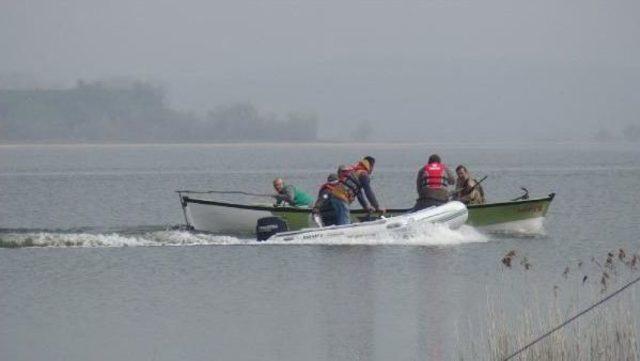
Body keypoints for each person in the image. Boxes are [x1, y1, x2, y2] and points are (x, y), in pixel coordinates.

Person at [325, 156, 385, 225]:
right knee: (344, 224)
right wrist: (377, 207)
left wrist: (366, 207)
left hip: (334, 197)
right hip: (341, 199)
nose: (372, 170)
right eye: (373, 167)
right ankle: (342, 234)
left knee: (340, 221)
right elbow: (368, 192)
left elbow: (358, 193)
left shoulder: (355, 171)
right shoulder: (363, 174)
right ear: (370, 166)